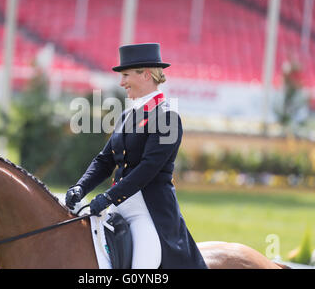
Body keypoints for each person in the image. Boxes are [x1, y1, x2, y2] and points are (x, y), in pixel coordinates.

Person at [65, 43, 208, 269]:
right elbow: (105, 160)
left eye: (125, 75)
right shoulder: (126, 115)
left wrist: (108, 197)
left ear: (146, 74)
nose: (121, 82)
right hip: (117, 207)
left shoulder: (166, 117)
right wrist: (81, 187)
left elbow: (148, 169)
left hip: (148, 214)